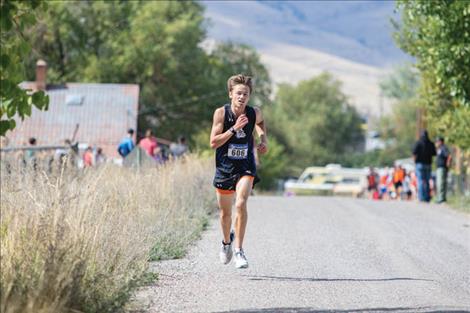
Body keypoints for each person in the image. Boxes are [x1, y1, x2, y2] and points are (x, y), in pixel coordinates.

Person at [210, 74, 268, 269]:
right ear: (230, 94)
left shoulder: (253, 113)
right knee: (225, 214)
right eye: (238, 93)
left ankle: (239, 250)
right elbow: (213, 142)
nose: (242, 97)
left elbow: (260, 123)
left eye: (246, 94)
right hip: (225, 167)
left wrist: (263, 139)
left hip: (245, 165)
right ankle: (227, 242)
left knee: (241, 203)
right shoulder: (221, 114)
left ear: (249, 96)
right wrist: (234, 129)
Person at [412, 130, 436, 202]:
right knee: (427, 181)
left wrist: (415, 162)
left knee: (420, 181)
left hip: (419, 164)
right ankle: (427, 197)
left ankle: (421, 197)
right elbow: (434, 153)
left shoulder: (418, 143)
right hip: (428, 164)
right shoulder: (431, 143)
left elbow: (414, 153)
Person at [435, 137, 452, 203]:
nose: (436, 143)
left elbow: (449, 156)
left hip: (442, 168)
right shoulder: (439, 148)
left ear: (441, 141)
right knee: (440, 183)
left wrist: (448, 163)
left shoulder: (443, 148)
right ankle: (441, 198)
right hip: (439, 168)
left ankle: (441, 199)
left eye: (437, 141)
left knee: (440, 183)